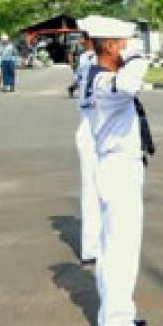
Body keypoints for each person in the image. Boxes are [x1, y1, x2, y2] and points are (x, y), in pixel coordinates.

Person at [81, 16, 156, 326]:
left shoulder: (100, 75)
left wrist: (128, 55)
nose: (128, 47)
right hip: (117, 167)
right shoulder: (104, 81)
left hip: (119, 165)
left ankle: (118, 311)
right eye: (123, 43)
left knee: (117, 247)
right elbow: (129, 84)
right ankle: (115, 323)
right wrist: (138, 55)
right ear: (110, 46)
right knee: (120, 248)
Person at [72, 23, 100, 265]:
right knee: (94, 188)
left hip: (89, 124)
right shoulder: (95, 61)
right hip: (94, 126)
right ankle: (93, 246)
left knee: (94, 188)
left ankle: (93, 244)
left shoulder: (85, 59)